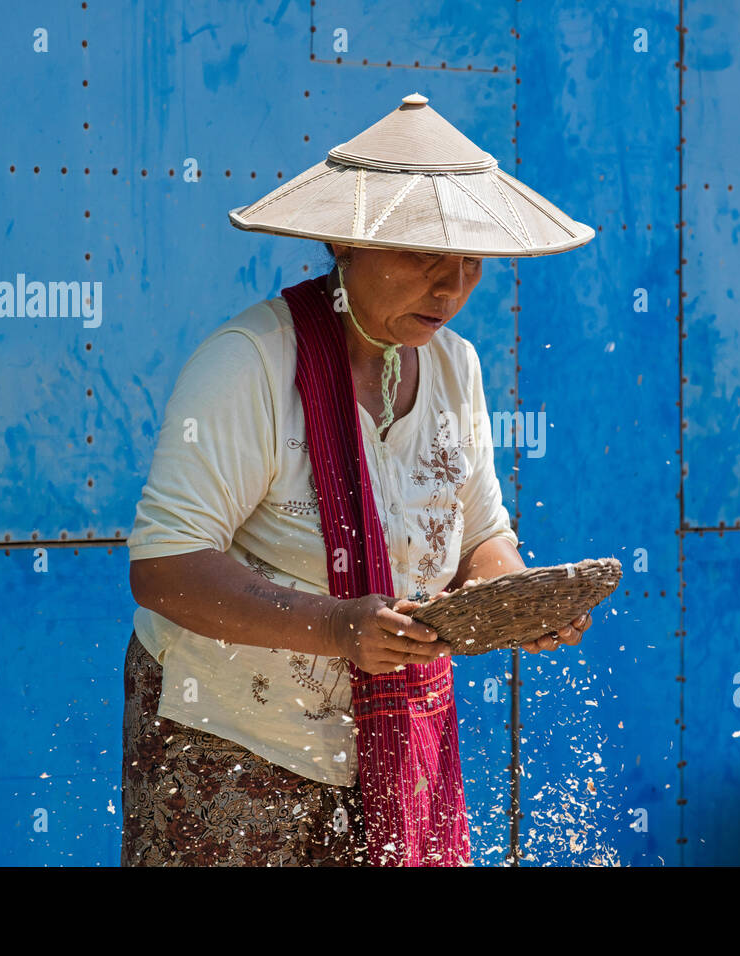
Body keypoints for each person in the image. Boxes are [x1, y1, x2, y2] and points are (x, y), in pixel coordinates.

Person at [121, 92, 595, 866]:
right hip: (232, 743)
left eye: (469, 263)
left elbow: (478, 533)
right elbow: (166, 570)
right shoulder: (249, 365)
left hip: (391, 742)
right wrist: (339, 627)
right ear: (345, 243)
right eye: (421, 257)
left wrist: (516, 602)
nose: (450, 287)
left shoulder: (455, 368)